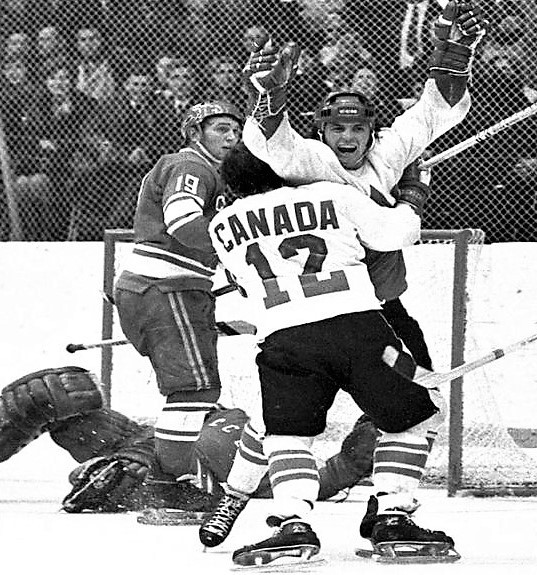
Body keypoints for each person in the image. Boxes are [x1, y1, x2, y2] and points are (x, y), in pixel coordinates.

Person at [231, 0, 485, 548]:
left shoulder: (386, 154)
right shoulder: (310, 164)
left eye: (358, 127)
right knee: (302, 418)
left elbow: (432, 114)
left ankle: (385, 509)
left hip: (378, 311)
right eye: (337, 127)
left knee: (416, 406)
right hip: (332, 311)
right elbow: (271, 143)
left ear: (372, 128)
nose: (348, 137)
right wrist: (270, 98)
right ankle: (246, 489)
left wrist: (453, 56)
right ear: (322, 129)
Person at [203, 149, 454, 566]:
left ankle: (293, 524)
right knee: (418, 417)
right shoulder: (331, 193)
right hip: (358, 330)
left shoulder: (221, 225)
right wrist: (412, 193)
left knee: (286, 437)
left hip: (283, 339)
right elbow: (398, 235)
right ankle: (392, 515)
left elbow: (236, 292)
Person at [0, 366, 380, 516]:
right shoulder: (235, 415)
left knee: (139, 470)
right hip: (144, 441)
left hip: (172, 474)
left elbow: (335, 473)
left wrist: (375, 428)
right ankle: (130, 474)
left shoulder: (281, 463)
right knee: (60, 395)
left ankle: (133, 480)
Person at [112, 101, 241, 496]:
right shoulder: (191, 166)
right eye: (220, 128)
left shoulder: (206, 171)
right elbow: (183, 221)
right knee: (194, 391)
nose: (231, 137)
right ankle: (169, 485)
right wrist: (236, 254)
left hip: (163, 288)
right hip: (167, 287)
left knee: (194, 389)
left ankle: (169, 479)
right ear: (194, 133)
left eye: (235, 130)